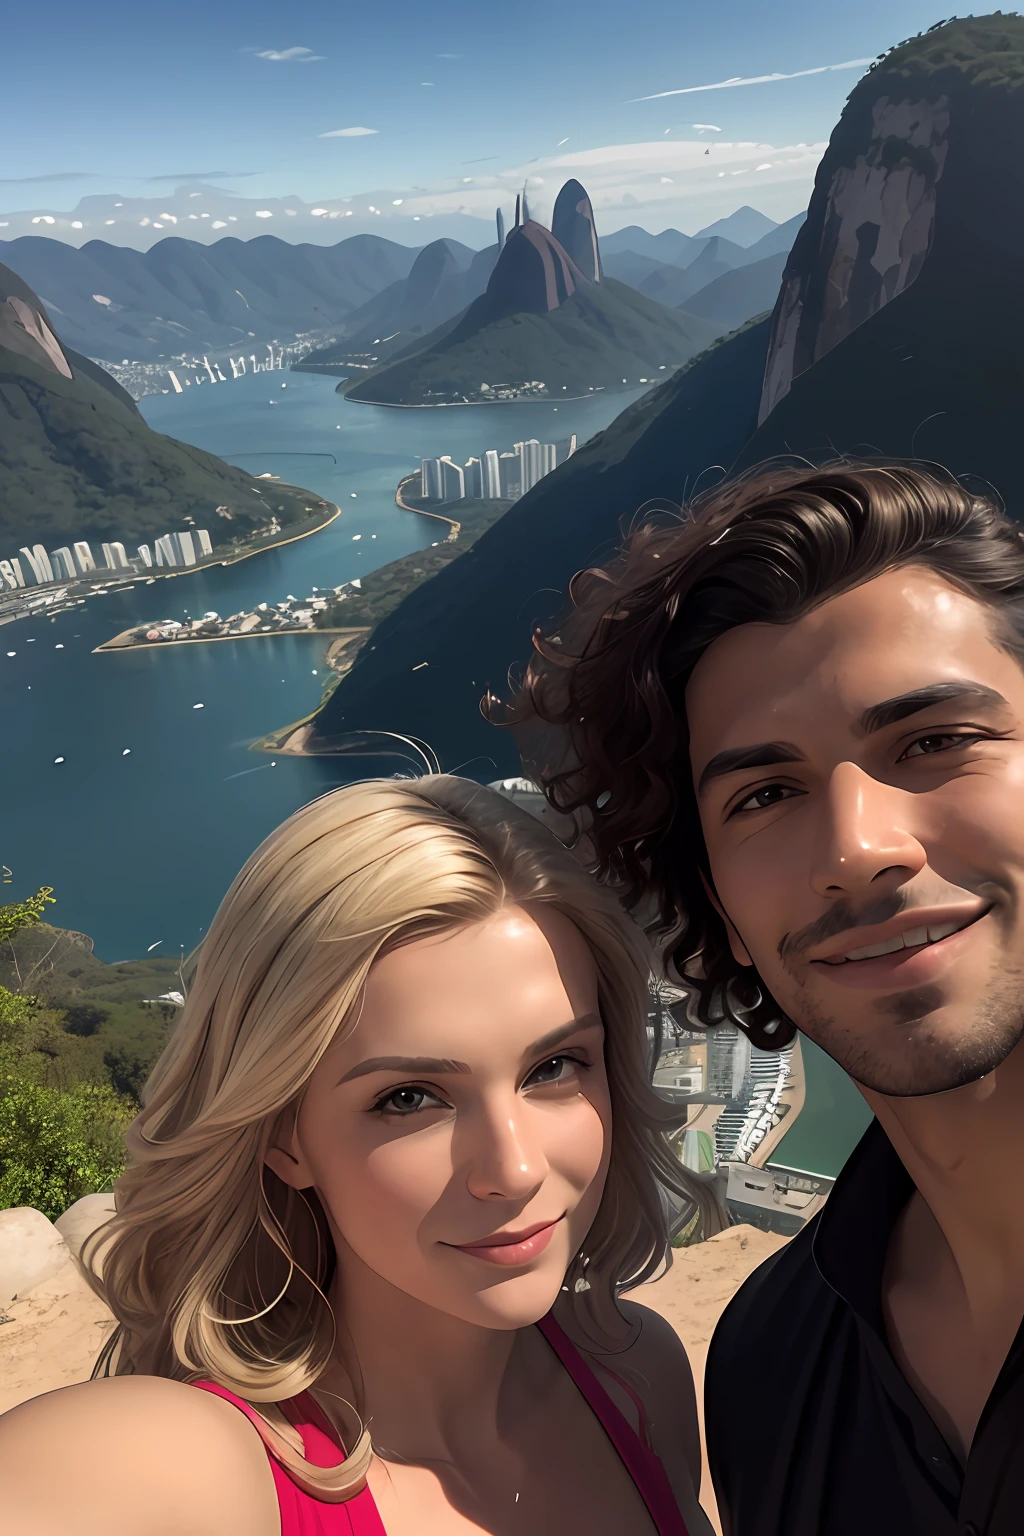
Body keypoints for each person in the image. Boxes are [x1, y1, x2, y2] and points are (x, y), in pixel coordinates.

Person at [506, 460, 1024, 1535]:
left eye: (934, 742)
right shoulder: (769, 1370)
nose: (856, 849)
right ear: (720, 907)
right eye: (765, 794)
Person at [0, 774, 717, 1536]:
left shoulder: (643, 1377)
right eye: (409, 1098)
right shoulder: (182, 1473)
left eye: (554, 1067)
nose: (515, 1170)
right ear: (282, 1135)